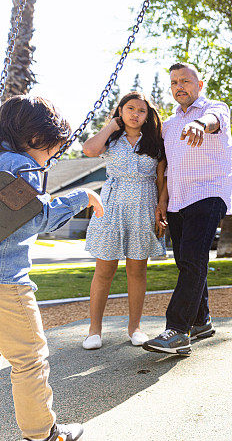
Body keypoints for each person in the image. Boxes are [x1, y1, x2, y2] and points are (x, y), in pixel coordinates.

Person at [0, 95, 104, 441]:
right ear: (34, 138)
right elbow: (36, 216)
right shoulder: (17, 165)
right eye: (50, 151)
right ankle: (43, 434)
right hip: (6, 283)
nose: (51, 159)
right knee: (29, 359)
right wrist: (83, 197)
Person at [143, 62, 232, 356]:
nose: (179, 86)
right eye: (174, 83)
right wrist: (162, 201)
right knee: (186, 263)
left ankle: (178, 331)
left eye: (185, 81)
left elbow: (214, 120)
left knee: (193, 260)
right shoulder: (168, 125)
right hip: (177, 199)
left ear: (199, 84)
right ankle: (201, 320)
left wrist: (198, 124)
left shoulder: (215, 108)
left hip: (208, 193)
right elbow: (168, 169)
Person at [81, 91, 167, 349]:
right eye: (130, 108)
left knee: (137, 270)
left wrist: (161, 206)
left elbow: (162, 179)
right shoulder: (112, 138)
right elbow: (89, 149)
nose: (135, 114)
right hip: (111, 207)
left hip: (144, 206)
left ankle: (135, 328)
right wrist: (110, 126)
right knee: (104, 270)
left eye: (141, 110)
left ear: (147, 115)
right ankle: (94, 331)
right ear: (121, 110)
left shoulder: (154, 142)